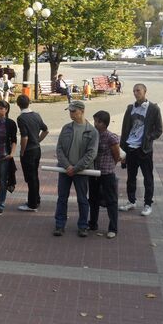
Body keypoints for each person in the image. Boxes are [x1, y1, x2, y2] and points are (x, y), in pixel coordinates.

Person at [54, 100, 99, 237]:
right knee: (62, 198)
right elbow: (59, 149)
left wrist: (76, 168)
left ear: (82, 111)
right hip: (65, 170)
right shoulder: (66, 128)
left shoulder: (92, 131)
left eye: (74, 111)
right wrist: (67, 166)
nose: (71, 114)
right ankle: (59, 225)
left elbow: (91, 154)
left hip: (81, 171)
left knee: (82, 199)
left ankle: (83, 226)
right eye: (70, 111)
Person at [119, 83, 163, 216]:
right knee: (131, 177)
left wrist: (148, 138)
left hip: (144, 150)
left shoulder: (153, 108)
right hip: (130, 148)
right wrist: (122, 149)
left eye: (138, 90)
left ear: (145, 91)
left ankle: (147, 204)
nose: (135, 93)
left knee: (147, 178)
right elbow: (124, 129)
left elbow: (159, 130)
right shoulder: (130, 108)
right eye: (134, 91)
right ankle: (131, 201)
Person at [89, 111, 121, 239]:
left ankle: (113, 228)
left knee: (111, 201)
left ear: (104, 123)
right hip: (94, 172)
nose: (95, 124)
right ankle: (93, 223)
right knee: (93, 199)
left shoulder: (110, 137)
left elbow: (116, 155)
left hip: (107, 173)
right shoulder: (93, 135)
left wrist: (111, 164)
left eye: (98, 122)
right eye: (95, 121)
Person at [16, 94, 48, 212]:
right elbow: (46, 130)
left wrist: (22, 151)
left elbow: (24, 137)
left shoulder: (21, 118)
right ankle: (36, 199)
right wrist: (38, 140)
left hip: (28, 151)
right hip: (37, 149)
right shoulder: (36, 115)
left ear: (18, 104)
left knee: (30, 177)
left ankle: (32, 204)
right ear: (29, 102)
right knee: (34, 175)